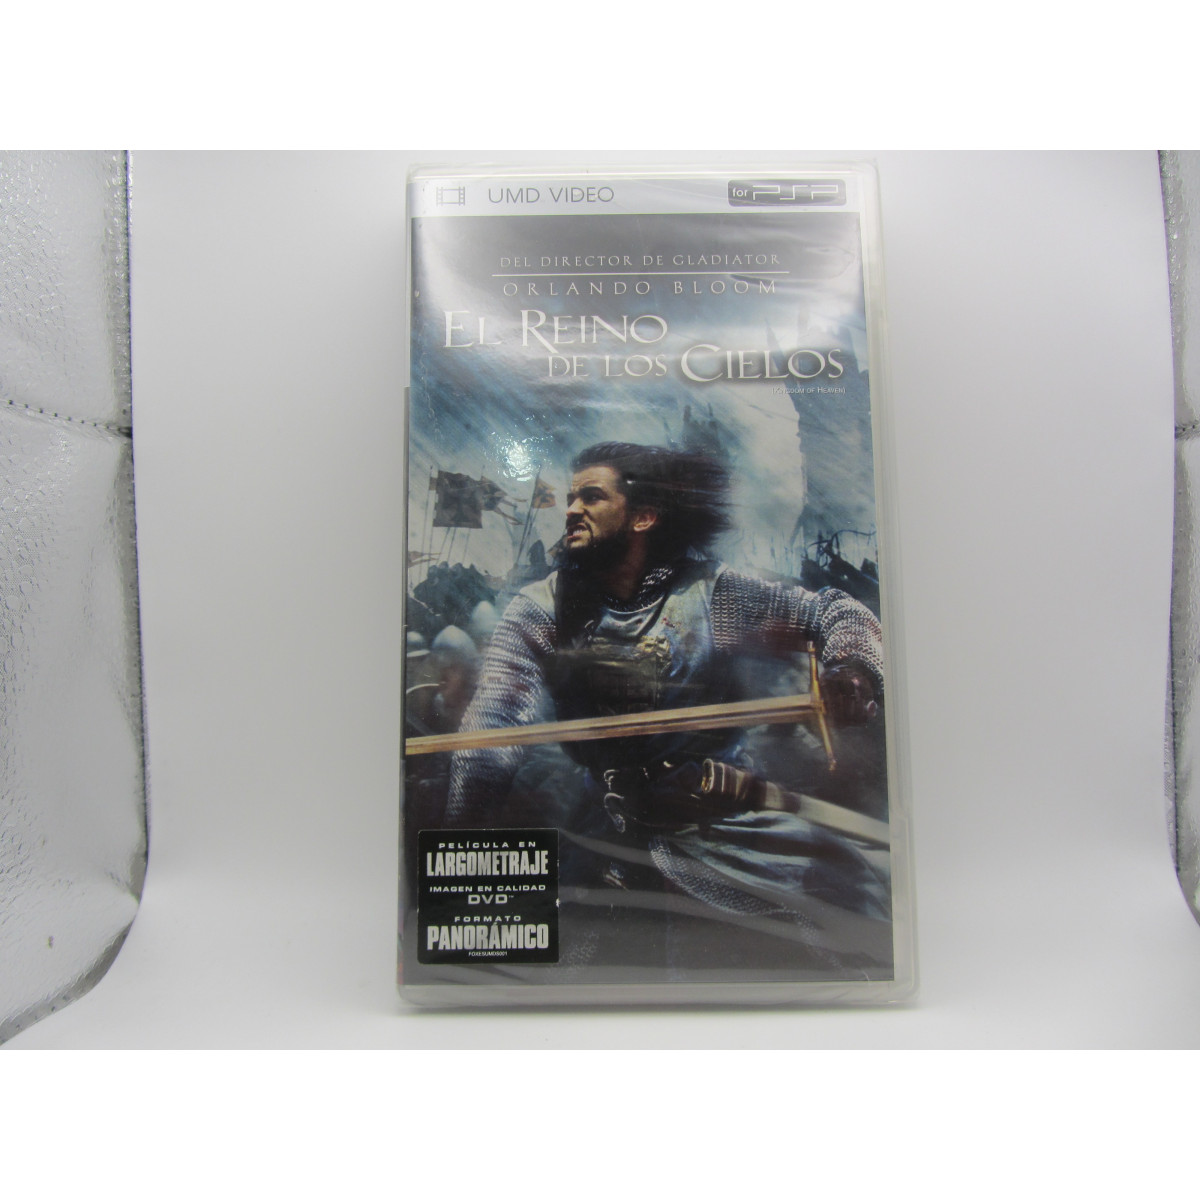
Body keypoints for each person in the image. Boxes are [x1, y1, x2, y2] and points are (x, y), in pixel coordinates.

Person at [447, 442, 891, 971]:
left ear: (644, 516)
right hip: (604, 831)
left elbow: (835, 612)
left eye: (591, 497)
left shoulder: (711, 594)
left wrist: (852, 669)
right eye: (570, 498)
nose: (571, 510)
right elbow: (492, 728)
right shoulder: (540, 607)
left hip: (723, 822)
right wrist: (463, 847)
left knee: (857, 922)